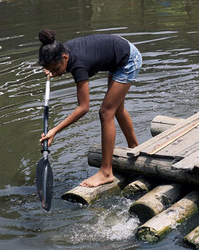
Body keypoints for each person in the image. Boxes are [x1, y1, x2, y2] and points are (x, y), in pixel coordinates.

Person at [37, 29, 142, 187]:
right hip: (118, 52)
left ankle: (106, 172)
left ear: (64, 57)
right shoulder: (61, 50)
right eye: (52, 70)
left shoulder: (78, 64)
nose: (56, 73)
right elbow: (60, 65)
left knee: (106, 113)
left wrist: (54, 130)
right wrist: (53, 70)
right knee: (116, 108)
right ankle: (135, 148)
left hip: (128, 59)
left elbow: (84, 107)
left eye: (57, 70)